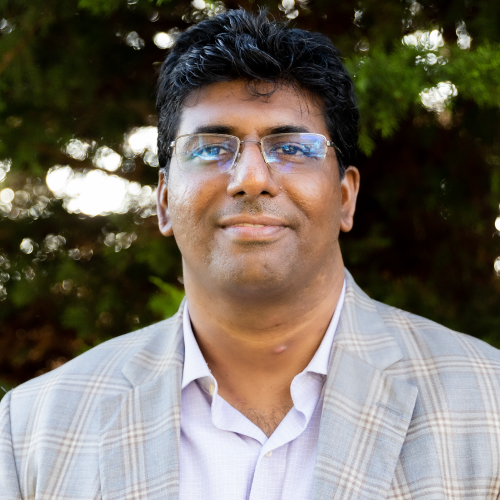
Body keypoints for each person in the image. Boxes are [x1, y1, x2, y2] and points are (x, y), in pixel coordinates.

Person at [1, 8, 500, 500]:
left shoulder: (488, 404)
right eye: (210, 147)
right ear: (165, 201)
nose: (251, 179)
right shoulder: (29, 433)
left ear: (345, 198)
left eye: (293, 148)